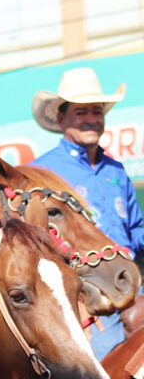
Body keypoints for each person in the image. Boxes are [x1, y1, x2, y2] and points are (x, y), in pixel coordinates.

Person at [31, 66, 144, 359]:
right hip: (86, 297)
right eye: (81, 112)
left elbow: (136, 229)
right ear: (61, 118)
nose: (91, 120)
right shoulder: (42, 172)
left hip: (130, 287)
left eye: (97, 111)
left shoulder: (115, 170)